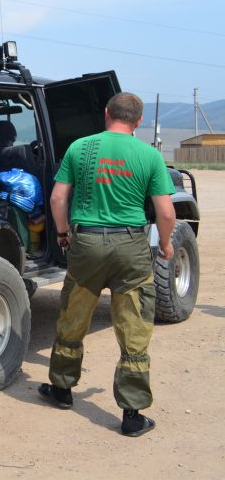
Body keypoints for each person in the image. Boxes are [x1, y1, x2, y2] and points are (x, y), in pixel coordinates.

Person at [38, 92, 176, 437]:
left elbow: (57, 197)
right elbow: (165, 212)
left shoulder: (79, 147)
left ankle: (62, 389)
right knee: (134, 325)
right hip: (130, 247)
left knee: (73, 316)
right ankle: (132, 414)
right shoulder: (150, 155)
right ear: (138, 121)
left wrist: (63, 233)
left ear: (106, 113)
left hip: (86, 244)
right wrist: (166, 243)